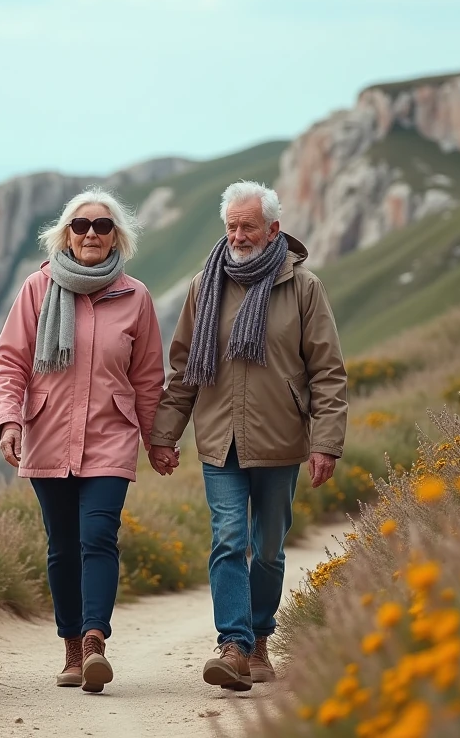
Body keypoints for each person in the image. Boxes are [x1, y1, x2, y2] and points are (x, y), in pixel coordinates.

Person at [148, 180, 348, 691]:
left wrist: (326, 443)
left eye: (248, 226)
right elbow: (184, 370)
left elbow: (327, 372)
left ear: (273, 229)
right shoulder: (203, 286)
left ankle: (261, 638)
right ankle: (233, 645)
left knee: (268, 548)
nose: (237, 235)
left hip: (280, 440)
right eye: (231, 226)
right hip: (219, 441)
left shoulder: (303, 287)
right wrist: (165, 435)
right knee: (229, 538)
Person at [0, 186, 167, 694]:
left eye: (103, 226)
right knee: (63, 546)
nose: (91, 234)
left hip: (111, 436)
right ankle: (70, 647)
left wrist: (157, 440)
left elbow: (149, 378)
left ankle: (94, 643)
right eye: (82, 225)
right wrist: (9, 421)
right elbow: (10, 363)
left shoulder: (136, 297)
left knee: (98, 536)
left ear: (117, 238)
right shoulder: (38, 288)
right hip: (47, 434)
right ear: (66, 234)